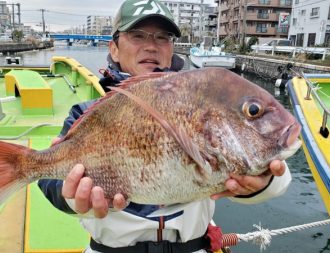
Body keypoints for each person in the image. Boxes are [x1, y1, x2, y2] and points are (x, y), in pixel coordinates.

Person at [38, 0, 291, 252]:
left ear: (172, 48)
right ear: (113, 48)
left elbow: (280, 175)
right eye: (137, 35)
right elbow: (49, 179)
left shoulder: (200, 99)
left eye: (163, 37)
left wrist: (264, 182)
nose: (151, 46)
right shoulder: (85, 113)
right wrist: (73, 198)